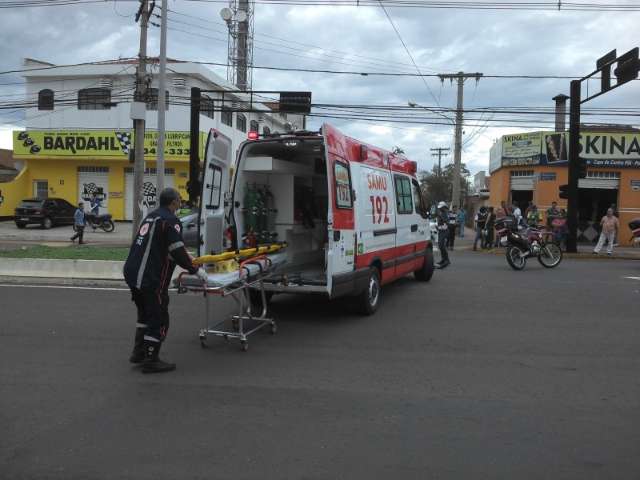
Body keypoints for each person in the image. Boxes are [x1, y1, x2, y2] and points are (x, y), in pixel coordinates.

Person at [123, 188, 206, 374]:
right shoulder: (171, 221)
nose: (181, 202)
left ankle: (139, 352)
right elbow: (176, 249)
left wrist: (184, 256)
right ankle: (151, 359)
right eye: (179, 199)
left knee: (145, 313)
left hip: (132, 272)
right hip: (150, 276)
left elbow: (163, 246)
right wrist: (196, 270)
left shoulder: (152, 217)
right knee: (159, 317)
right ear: (173, 202)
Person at [436, 201, 450, 269]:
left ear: (444, 207)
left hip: (444, 231)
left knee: (441, 245)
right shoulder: (441, 213)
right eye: (440, 208)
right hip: (441, 230)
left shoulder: (444, 213)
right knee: (440, 245)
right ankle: (443, 259)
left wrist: (439, 226)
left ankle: (446, 260)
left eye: (441, 207)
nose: (440, 208)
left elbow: (446, 222)